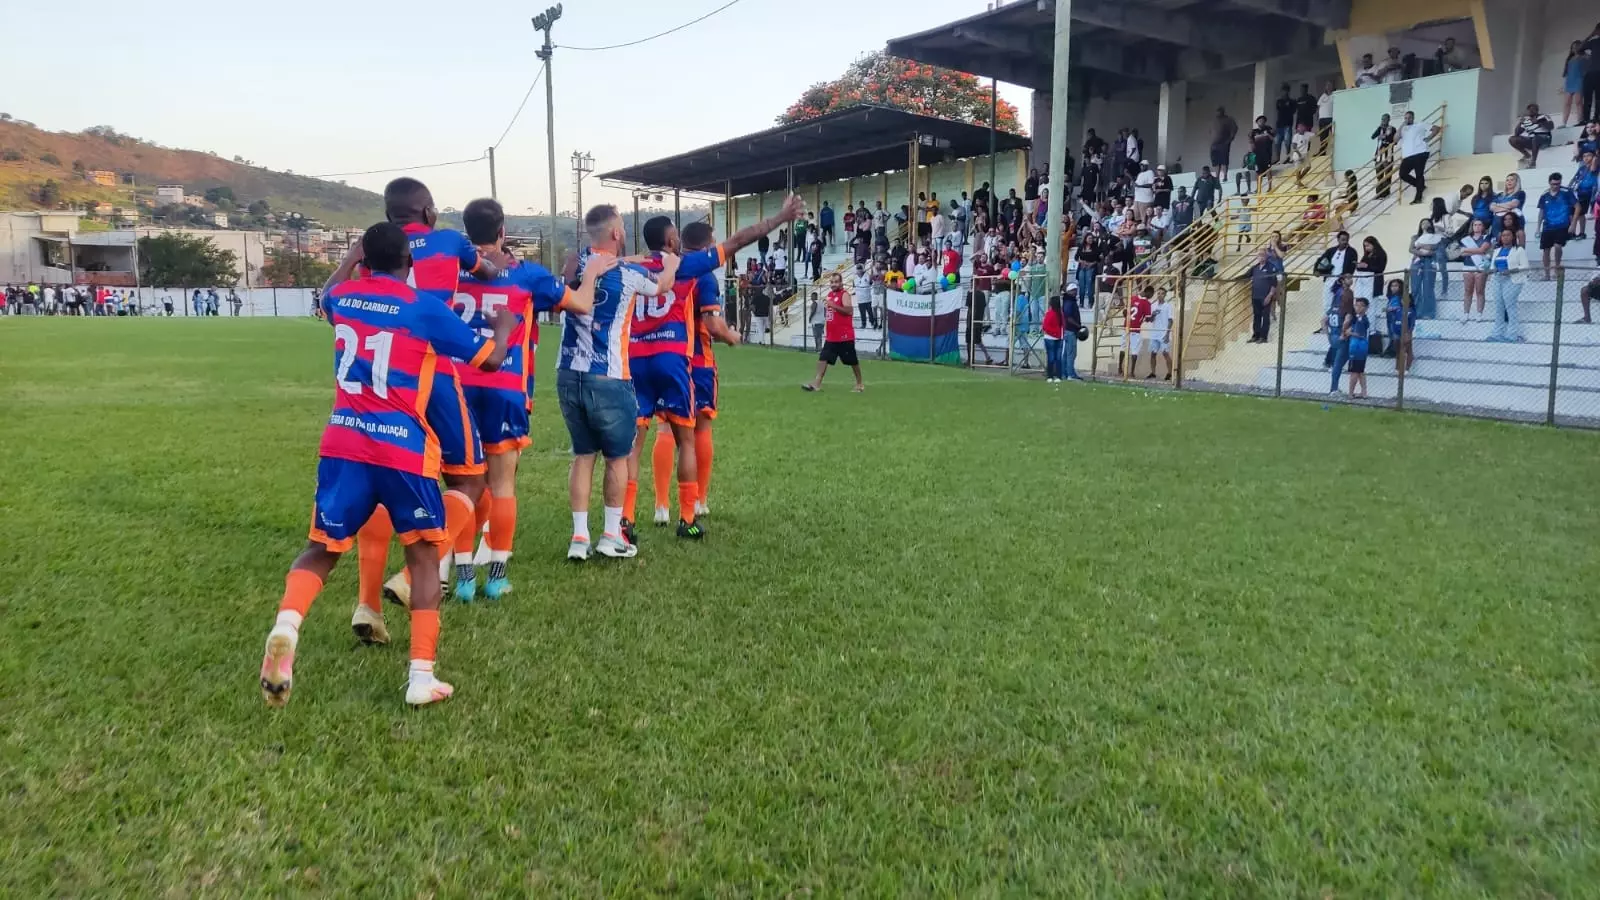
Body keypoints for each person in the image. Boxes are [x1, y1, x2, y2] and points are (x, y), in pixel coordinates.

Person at [255, 221, 516, 710]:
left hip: (342, 443)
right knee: (421, 555)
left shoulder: (346, 298)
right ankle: (421, 676)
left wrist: (351, 257)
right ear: (410, 263)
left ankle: (286, 626)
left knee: (319, 548)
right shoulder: (423, 308)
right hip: (403, 449)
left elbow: (328, 293)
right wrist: (504, 327)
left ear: (363, 260)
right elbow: (490, 360)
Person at [341, 177, 505, 610]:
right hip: (433, 373)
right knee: (469, 477)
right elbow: (488, 272)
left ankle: (367, 604)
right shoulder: (451, 242)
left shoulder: (372, 262)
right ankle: (419, 571)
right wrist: (496, 260)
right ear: (429, 213)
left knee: (377, 484)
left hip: (377, 383)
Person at [450, 197, 602, 602]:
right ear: (502, 231)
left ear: (467, 231)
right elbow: (582, 305)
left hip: (455, 388)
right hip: (503, 387)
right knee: (502, 485)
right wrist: (592, 274)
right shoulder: (527, 276)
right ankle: (496, 576)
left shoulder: (450, 273)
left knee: (463, 484)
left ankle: (463, 577)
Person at [628, 205, 794, 541]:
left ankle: (626, 519)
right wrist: (778, 218)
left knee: (634, 444)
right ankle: (688, 514)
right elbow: (737, 241)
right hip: (679, 360)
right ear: (672, 240)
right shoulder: (690, 267)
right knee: (688, 438)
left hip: (634, 360)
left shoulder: (631, 267)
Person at [802, 272, 863, 393]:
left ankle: (859, 383)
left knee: (852, 361)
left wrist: (833, 305)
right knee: (823, 359)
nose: (833, 284)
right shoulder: (830, 295)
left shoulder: (844, 294)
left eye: (836, 282)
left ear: (841, 283)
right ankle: (816, 383)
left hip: (844, 336)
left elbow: (849, 311)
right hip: (832, 336)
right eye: (831, 282)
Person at [1486, 227, 1529, 343]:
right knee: (1499, 307)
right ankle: (1497, 333)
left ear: (1513, 237)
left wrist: (1510, 271)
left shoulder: (1519, 250)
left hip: (1512, 280)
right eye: (1503, 235)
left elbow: (1525, 267)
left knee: (1510, 306)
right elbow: (1492, 266)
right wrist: (1492, 270)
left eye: (1508, 235)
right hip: (1498, 280)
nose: (1505, 237)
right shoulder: (1496, 250)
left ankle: (1512, 334)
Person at [1537, 172, 1580, 280]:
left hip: (1562, 225)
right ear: (1549, 183)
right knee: (1545, 250)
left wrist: (1573, 224)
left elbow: (1578, 207)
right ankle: (1546, 274)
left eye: (1557, 184)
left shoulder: (1567, 192)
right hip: (1547, 226)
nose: (1555, 186)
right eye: (1553, 184)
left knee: (1557, 246)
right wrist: (1538, 227)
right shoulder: (1544, 195)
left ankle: (1556, 269)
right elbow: (1541, 211)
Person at [1396, 110, 1441, 205]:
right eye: (1406, 118)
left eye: (1409, 117)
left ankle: (1418, 197)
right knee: (1402, 174)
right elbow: (1395, 139)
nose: (1407, 119)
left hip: (1420, 153)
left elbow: (1436, 128)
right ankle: (1420, 186)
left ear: (1413, 117)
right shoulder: (1403, 129)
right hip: (1407, 156)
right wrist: (1401, 125)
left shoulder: (1420, 125)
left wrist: (1429, 138)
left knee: (1419, 174)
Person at [1459, 218, 1493, 321]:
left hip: (1480, 266)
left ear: (1483, 227)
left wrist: (1467, 249)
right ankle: (1466, 313)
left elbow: (1483, 249)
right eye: (1475, 225)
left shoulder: (1486, 237)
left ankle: (1479, 313)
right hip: (1467, 266)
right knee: (1467, 291)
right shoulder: (1466, 239)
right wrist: (1476, 251)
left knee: (1479, 290)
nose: (1477, 227)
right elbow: (1462, 253)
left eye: (1479, 225)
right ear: (1472, 227)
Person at [1409, 218, 1442, 321]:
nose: (1425, 224)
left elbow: (1436, 248)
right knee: (1415, 288)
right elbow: (1411, 249)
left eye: (1427, 223)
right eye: (1422, 223)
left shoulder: (1436, 237)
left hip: (1430, 262)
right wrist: (1423, 252)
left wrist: (1423, 247)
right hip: (1417, 262)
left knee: (1428, 287)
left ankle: (1429, 313)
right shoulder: (1415, 237)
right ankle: (1416, 312)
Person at [1248, 248, 1281, 344]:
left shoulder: (1271, 267)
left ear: (1266, 256)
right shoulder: (1255, 268)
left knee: (1265, 317)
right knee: (1256, 316)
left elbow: (1274, 283)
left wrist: (1270, 295)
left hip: (1266, 296)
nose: (1261, 256)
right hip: (1255, 296)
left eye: (1263, 254)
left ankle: (1263, 337)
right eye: (1259, 255)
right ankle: (1256, 335)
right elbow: (1246, 275)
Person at [1384, 278, 1415, 374]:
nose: (1404, 301)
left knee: (1408, 350)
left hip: (1406, 332)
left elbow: (1412, 323)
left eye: (1396, 286)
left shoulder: (1411, 311)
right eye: (1392, 286)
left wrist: (1408, 333)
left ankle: (1407, 368)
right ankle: (1397, 368)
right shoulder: (1398, 309)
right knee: (1398, 351)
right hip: (1396, 332)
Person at [1343, 296, 1372, 399]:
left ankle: (1350, 393)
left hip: (1357, 348)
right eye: (1357, 305)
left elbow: (1359, 334)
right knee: (1360, 371)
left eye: (1361, 306)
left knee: (1354, 371)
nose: (1358, 308)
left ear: (1366, 308)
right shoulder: (1358, 319)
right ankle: (1364, 393)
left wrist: (1348, 332)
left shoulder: (1361, 320)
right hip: (1361, 347)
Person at [1119, 288, 1152, 379]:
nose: (1151, 296)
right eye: (1151, 294)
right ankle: (1132, 372)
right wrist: (1153, 316)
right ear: (1148, 293)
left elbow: (1124, 313)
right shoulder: (1147, 303)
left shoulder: (1132, 298)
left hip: (1126, 326)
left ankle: (1119, 369)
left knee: (1123, 347)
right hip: (1136, 328)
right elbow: (1148, 319)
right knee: (1134, 350)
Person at [1144, 287, 1174, 381]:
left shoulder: (1168, 306)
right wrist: (1153, 315)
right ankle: (1153, 373)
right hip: (1154, 333)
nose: (1159, 295)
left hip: (1163, 333)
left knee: (1165, 353)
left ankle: (1170, 373)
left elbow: (1170, 320)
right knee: (1153, 353)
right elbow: (1149, 320)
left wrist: (1167, 333)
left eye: (1162, 293)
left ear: (1165, 295)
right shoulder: (1154, 305)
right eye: (1158, 293)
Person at [1569, 150, 1598, 241]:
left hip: (1588, 193)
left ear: (1594, 157)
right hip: (1577, 192)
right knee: (1571, 212)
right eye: (1584, 156)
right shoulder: (1581, 168)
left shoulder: (1596, 167)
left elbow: (1593, 166)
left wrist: (1595, 157)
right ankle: (1572, 232)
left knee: (1581, 214)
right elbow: (1574, 178)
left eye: (1589, 155)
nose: (1586, 158)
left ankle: (1582, 233)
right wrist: (1569, 187)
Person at [1562, 41, 1591, 127]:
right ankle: (1564, 123)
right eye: (1573, 47)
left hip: (1579, 80)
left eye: (1577, 46)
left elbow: (1591, 62)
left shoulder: (1584, 56)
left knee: (1578, 102)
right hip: (1569, 81)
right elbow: (1567, 72)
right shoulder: (1570, 59)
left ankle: (1580, 120)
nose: (1575, 48)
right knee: (1567, 102)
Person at [1355, 236, 1387, 301]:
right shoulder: (1366, 255)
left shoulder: (1381, 254)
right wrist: (1359, 266)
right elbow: (1363, 265)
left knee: (1371, 301)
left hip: (1373, 281)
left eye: (1368, 245)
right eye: (1365, 246)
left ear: (1374, 244)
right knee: (1360, 300)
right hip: (1363, 281)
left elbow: (1380, 268)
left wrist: (1367, 266)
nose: (1366, 248)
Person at [1042, 294, 1065, 383]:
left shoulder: (1058, 314)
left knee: (1057, 358)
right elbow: (1045, 326)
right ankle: (1051, 375)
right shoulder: (1051, 314)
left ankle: (1055, 376)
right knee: (1053, 358)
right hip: (1051, 338)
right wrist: (1056, 333)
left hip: (1057, 338)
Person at [1210, 107, 1237, 182]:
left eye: (1219, 111)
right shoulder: (1214, 120)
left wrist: (1229, 140)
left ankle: (1225, 176)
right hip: (1214, 144)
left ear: (1223, 112)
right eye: (1217, 112)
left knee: (1224, 160)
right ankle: (1217, 176)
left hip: (1224, 143)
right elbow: (1211, 131)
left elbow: (1234, 129)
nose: (1218, 113)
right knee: (1215, 161)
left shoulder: (1228, 120)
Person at [1580, 22, 1600, 124]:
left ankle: (1597, 118)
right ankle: (1585, 119)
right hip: (1590, 73)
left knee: (1598, 98)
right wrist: (1591, 35)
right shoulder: (1594, 41)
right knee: (1587, 97)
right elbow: (1580, 48)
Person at [1273, 84, 1297, 164]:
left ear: (1288, 91)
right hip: (1279, 125)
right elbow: (1279, 108)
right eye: (1283, 91)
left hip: (1288, 124)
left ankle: (1287, 157)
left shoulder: (1292, 101)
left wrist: (1287, 106)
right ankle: (1277, 159)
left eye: (1285, 91)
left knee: (1287, 141)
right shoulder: (1279, 101)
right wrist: (1286, 106)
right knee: (1277, 142)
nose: (1284, 92)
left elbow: (1293, 111)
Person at [853, 261, 876, 330]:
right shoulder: (855, 277)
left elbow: (871, 282)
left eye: (860, 269)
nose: (859, 270)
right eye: (858, 269)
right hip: (860, 298)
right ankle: (863, 324)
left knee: (870, 311)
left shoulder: (867, 275)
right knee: (862, 312)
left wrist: (872, 269)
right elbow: (854, 286)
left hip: (867, 298)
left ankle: (872, 322)